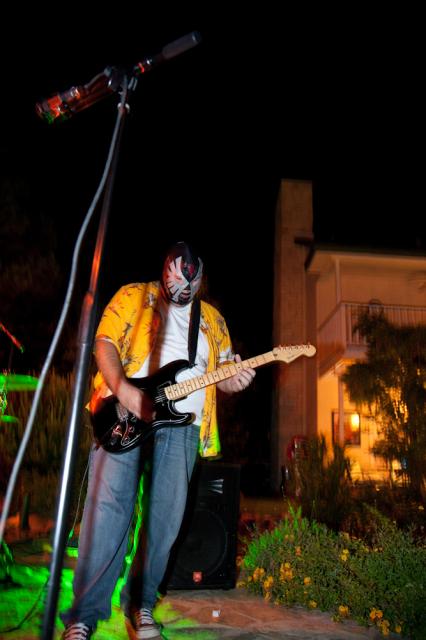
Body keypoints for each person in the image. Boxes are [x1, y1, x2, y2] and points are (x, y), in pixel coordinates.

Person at [60, 241, 255, 639]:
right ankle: (84, 615)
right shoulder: (134, 296)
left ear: (199, 278)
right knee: (108, 511)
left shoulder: (213, 320)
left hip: (184, 425)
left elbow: (225, 374)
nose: (182, 290)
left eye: (190, 284)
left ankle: (141, 604)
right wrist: (123, 389)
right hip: (126, 411)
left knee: (165, 520)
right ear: (165, 272)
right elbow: (104, 342)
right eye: (176, 282)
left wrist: (235, 381)